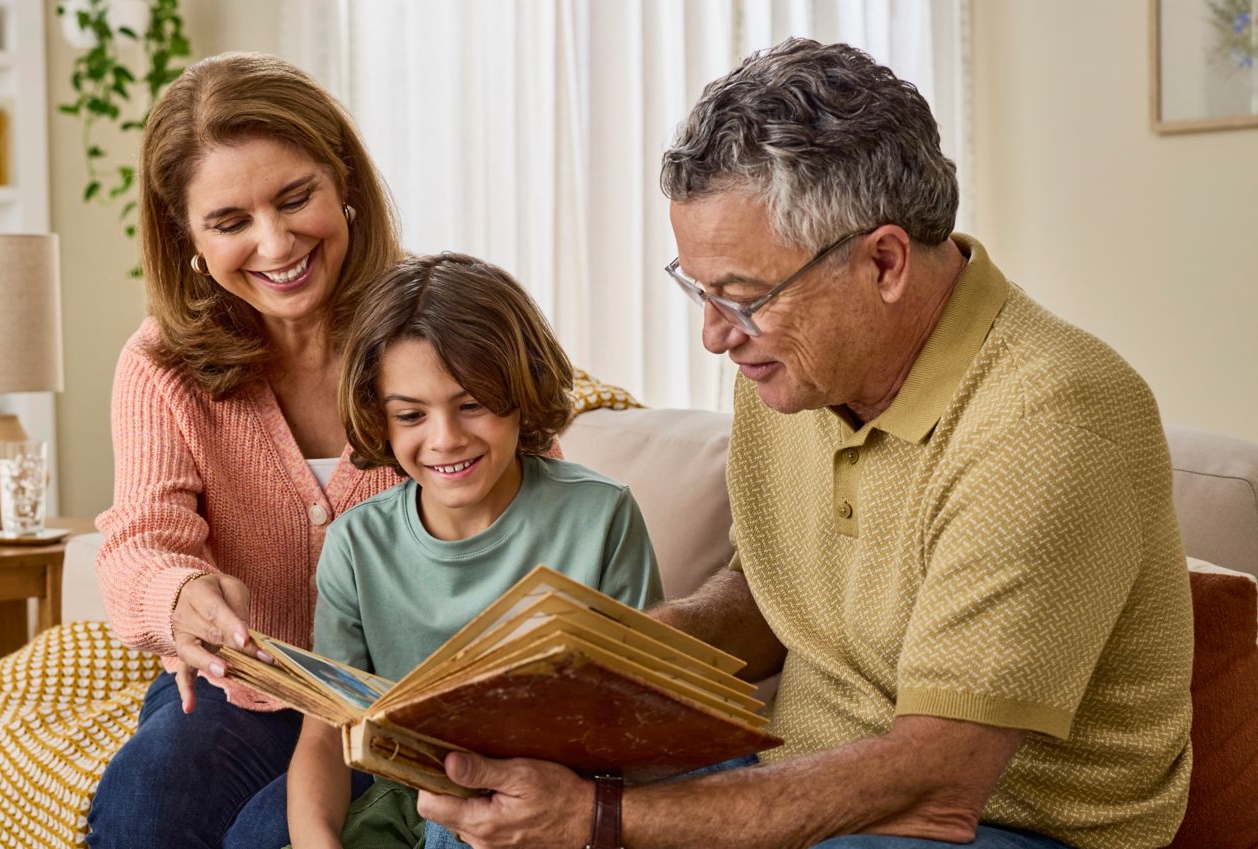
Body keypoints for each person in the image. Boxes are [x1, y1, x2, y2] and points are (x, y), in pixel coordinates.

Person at [417, 38, 1193, 849]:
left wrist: (595, 820)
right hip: (800, 776)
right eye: (698, 289)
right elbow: (776, 588)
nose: (715, 335)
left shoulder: (1047, 420)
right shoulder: (795, 367)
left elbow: (938, 782)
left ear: (884, 262)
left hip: (1001, 823)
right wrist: (612, 662)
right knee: (477, 812)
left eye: (742, 297)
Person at [79, 50, 409, 848]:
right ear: (186, 236)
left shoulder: (428, 329)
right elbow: (138, 539)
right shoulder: (161, 363)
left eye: (296, 198)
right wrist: (178, 593)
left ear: (345, 184)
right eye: (229, 223)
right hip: (240, 687)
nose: (274, 243)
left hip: (397, 698)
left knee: (271, 836)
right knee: (140, 803)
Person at [277, 253, 664, 849]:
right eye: (411, 414)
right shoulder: (357, 544)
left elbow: (644, 717)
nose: (446, 439)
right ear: (380, 418)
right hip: (419, 800)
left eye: (473, 404)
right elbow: (327, 733)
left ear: (519, 394)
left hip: (564, 797)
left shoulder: (600, 515)